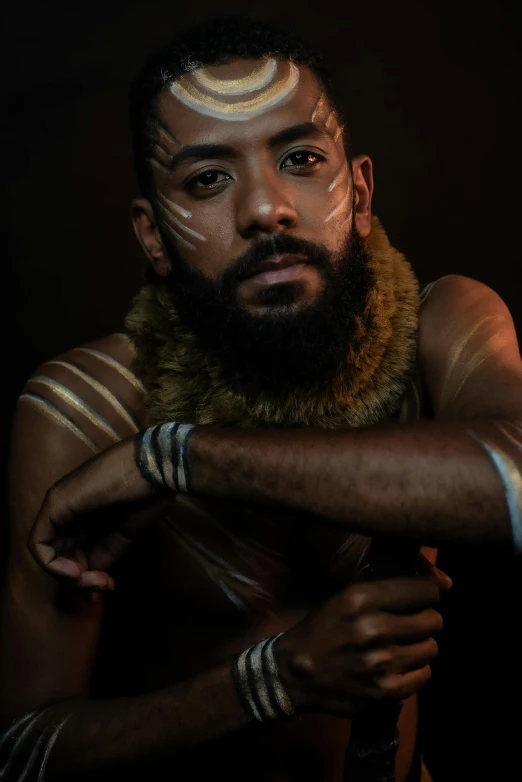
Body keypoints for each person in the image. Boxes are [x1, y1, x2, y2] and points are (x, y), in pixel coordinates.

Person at [2, 14, 521, 782]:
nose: (266, 209)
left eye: (302, 158)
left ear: (362, 190)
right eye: (208, 179)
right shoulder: (90, 407)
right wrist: (274, 679)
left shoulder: (443, 329)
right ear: (152, 238)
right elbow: (22, 752)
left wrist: (173, 459)